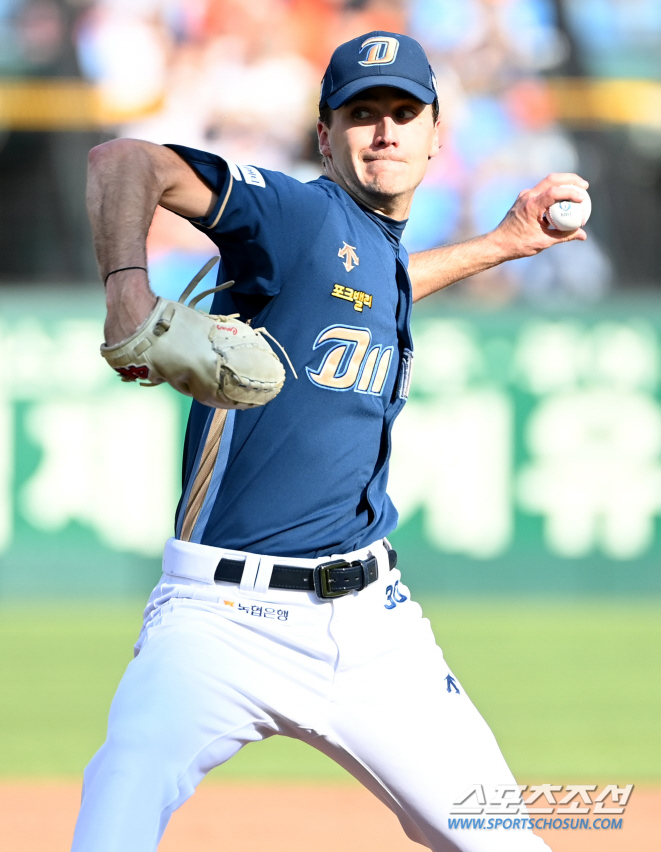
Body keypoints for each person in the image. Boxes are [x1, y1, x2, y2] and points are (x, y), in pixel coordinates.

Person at [75, 31, 587, 852]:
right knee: (111, 830)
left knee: (507, 843)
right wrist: (127, 291)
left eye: (403, 112)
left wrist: (500, 245)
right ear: (326, 136)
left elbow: (378, 287)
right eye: (362, 114)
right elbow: (123, 161)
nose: (385, 130)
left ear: (435, 134)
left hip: (374, 628)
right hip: (219, 621)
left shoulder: (367, 251)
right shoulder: (297, 213)